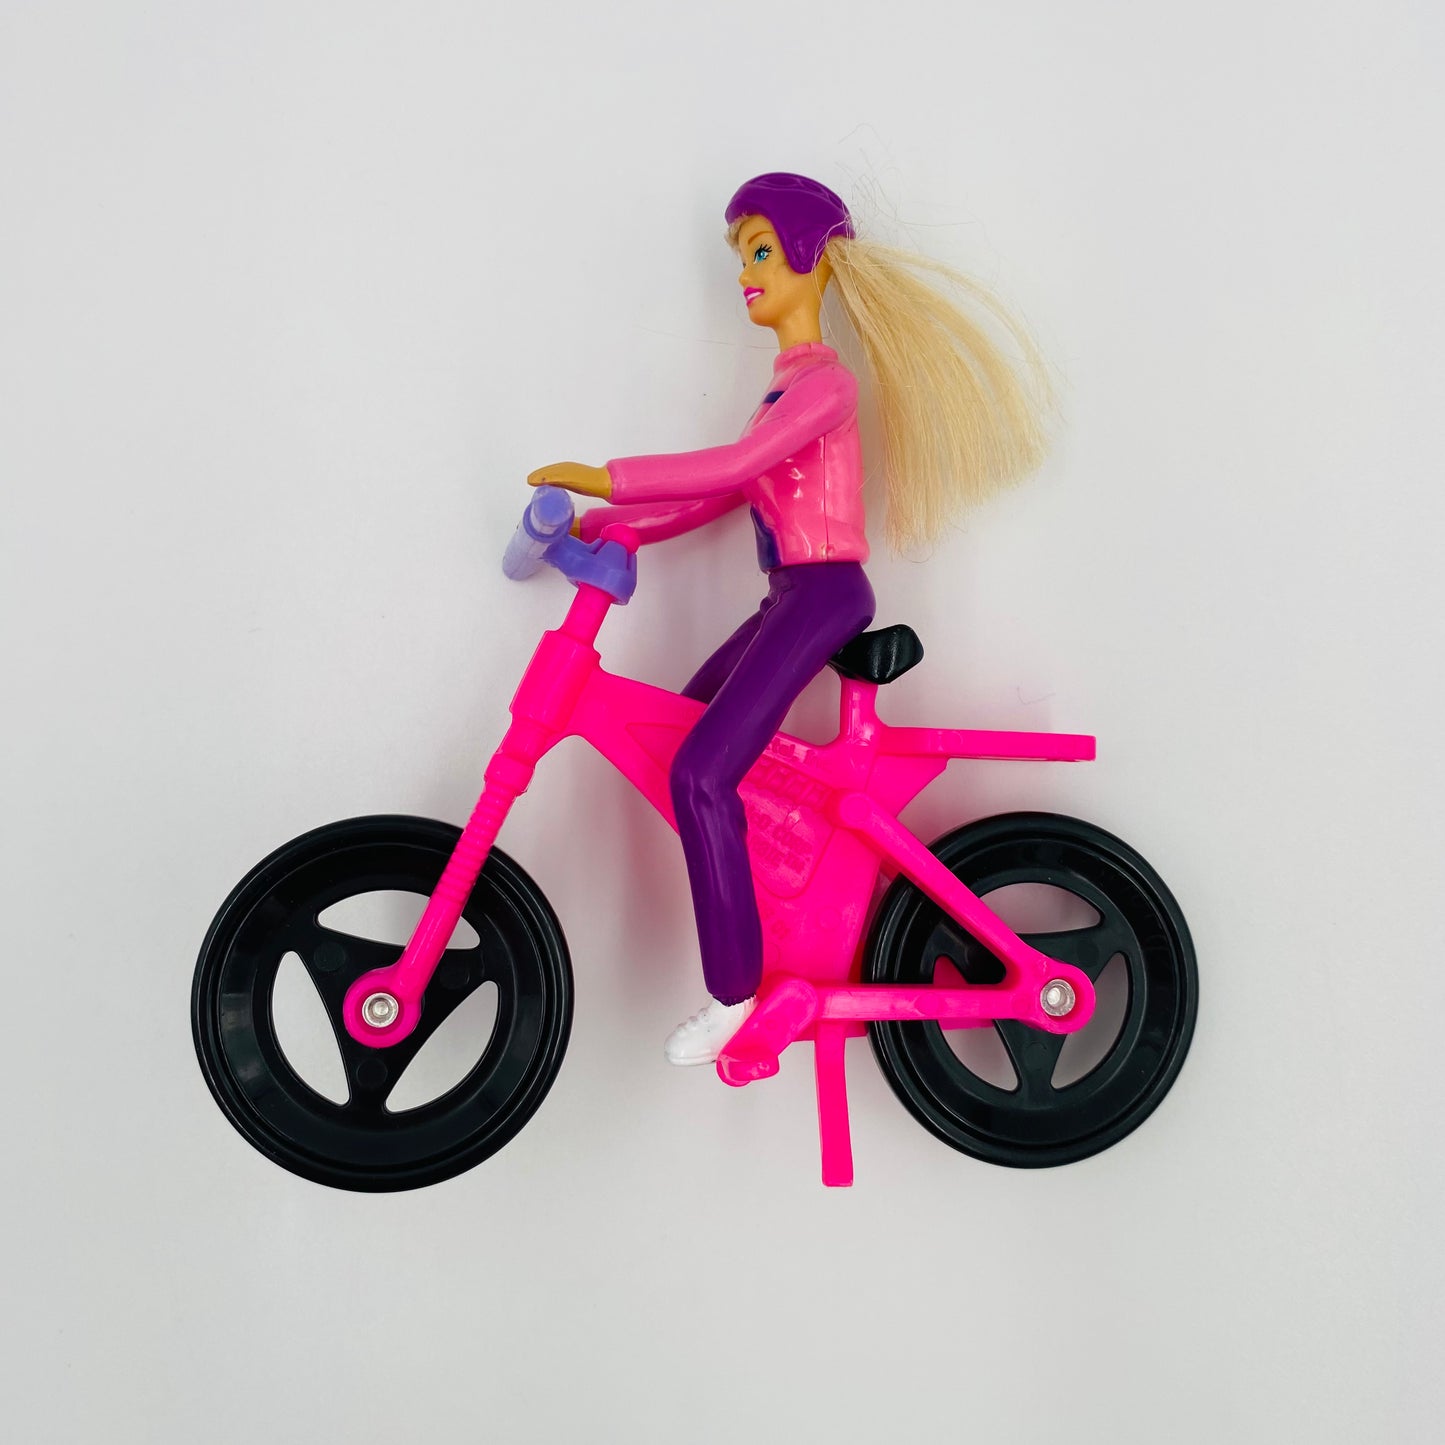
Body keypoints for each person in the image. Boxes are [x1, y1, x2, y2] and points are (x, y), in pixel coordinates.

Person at [529, 172, 1050, 1065]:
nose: (747, 273)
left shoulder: (825, 388)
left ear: (814, 260)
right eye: (743, 257)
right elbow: (714, 497)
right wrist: (605, 523)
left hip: (823, 594)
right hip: (788, 595)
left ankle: (735, 994)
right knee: (682, 734)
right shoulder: (780, 392)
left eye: (763, 252)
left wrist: (608, 475)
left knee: (700, 772)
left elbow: (732, 466)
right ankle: (792, 883)